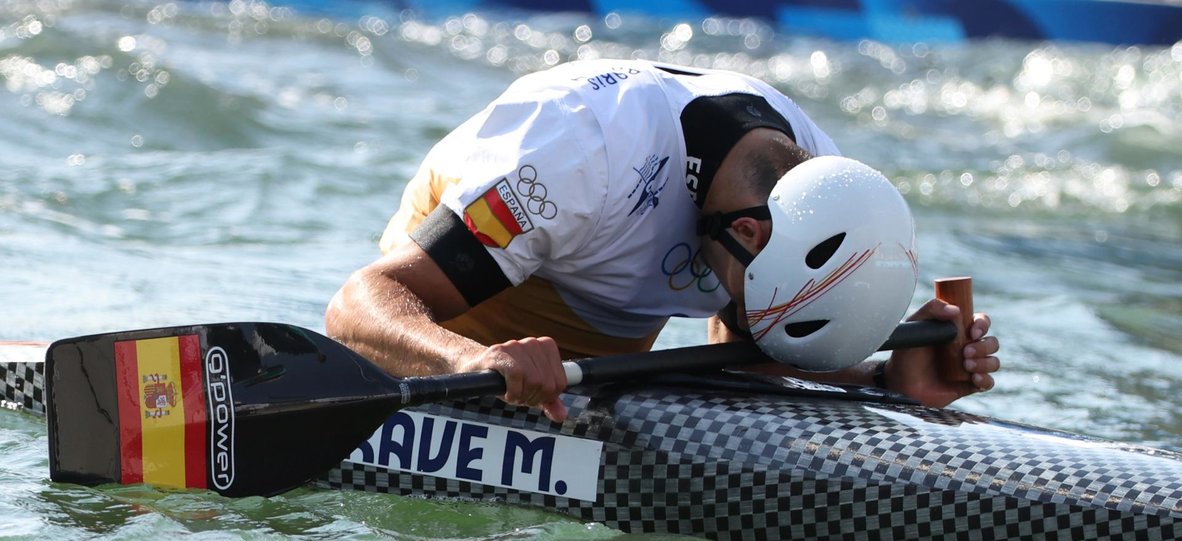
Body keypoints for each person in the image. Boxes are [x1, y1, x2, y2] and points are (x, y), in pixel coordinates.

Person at [326, 59, 999, 422]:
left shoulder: (817, 178)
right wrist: (463, 362)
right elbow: (361, 301)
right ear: (744, 232)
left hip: (600, 334)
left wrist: (884, 382)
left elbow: (742, 351)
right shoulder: (574, 156)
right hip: (482, 306)